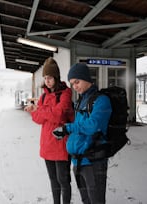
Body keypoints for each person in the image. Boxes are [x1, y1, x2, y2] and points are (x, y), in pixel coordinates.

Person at [52, 63, 112, 204]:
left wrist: (68, 128)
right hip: (78, 161)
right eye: (72, 84)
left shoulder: (101, 100)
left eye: (77, 82)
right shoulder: (80, 101)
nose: (75, 87)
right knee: (86, 200)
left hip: (93, 161)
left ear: (87, 79)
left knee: (96, 200)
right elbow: (79, 127)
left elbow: (93, 126)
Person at [24, 57, 74, 204]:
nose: (47, 80)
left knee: (63, 180)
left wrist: (40, 109)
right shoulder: (44, 96)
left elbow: (59, 115)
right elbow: (38, 119)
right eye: (45, 78)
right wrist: (35, 111)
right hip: (47, 144)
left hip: (61, 143)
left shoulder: (65, 93)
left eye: (50, 77)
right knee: (53, 180)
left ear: (56, 77)